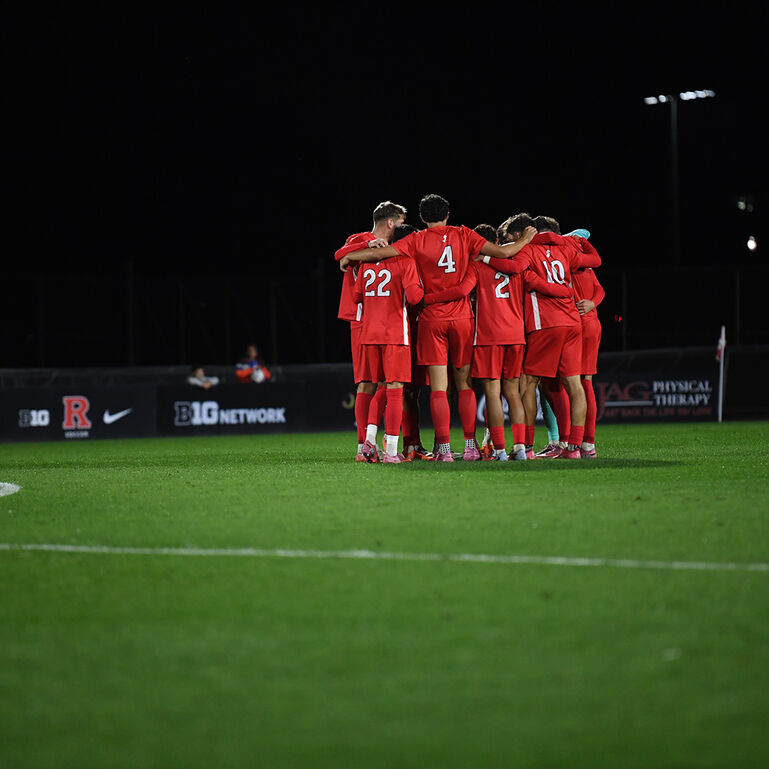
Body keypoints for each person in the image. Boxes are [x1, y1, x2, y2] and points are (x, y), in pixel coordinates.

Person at [340, 194, 535, 462]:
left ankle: (443, 451)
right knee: (464, 385)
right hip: (462, 320)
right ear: (447, 214)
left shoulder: (416, 239)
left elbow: (379, 253)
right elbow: (504, 252)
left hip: (431, 321)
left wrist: (349, 257)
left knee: (438, 388)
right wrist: (525, 239)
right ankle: (470, 447)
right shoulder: (464, 234)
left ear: (421, 219)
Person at [483, 213, 601, 459]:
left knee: (527, 383)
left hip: (545, 324)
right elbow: (594, 260)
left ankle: (526, 446)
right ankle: (576, 447)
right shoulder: (565, 249)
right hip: (572, 323)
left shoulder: (528, 250)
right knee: (574, 384)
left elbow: (514, 267)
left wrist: (484, 257)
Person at [468, 223, 573, 460]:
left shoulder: (476, 265)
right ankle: (521, 448)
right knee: (513, 393)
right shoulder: (517, 266)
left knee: (493, 393)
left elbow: (465, 291)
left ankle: (499, 451)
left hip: (488, 337)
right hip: (516, 336)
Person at [334, 201, 407, 461]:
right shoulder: (360, 239)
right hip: (363, 319)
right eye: (400, 222)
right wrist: (364, 246)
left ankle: (378, 441)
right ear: (390, 222)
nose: (402, 226)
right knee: (367, 383)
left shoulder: (396, 248)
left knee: (387, 383)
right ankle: (364, 447)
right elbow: (339, 254)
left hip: (386, 319)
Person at [351, 246, 424, 463]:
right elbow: (413, 297)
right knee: (395, 391)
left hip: (370, 335)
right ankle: (391, 451)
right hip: (394, 333)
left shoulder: (366, 264)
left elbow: (357, 296)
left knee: (380, 387)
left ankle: (369, 441)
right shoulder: (405, 261)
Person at [570, 233, 605, 458]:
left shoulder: (569, 263)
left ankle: (572, 442)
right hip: (592, 324)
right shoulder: (586, 266)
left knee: (574, 385)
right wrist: (593, 302)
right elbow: (600, 290)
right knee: (585, 383)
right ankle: (587, 444)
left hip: (578, 326)